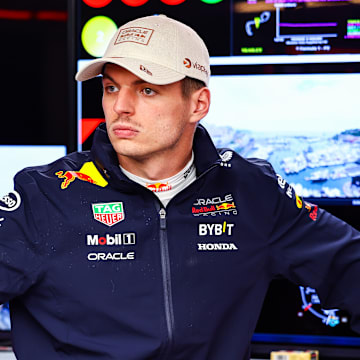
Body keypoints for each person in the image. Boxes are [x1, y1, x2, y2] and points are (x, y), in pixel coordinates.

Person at [0, 14, 359, 360]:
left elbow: (349, 267)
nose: (120, 107)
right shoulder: (44, 195)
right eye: (111, 88)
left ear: (197, 104)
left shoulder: (251, 191)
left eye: (147, 90)